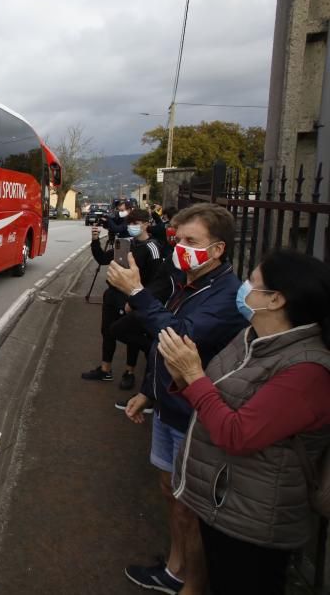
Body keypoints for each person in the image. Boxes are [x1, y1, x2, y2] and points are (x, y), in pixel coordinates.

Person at [157, 250, 330, 595]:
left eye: (252, 281)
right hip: (223, 502)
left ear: (276, 299)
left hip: (255, 520)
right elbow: (218, 394)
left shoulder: (308, 370)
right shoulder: (252, 337)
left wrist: (193, 376)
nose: (243, 286)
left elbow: (237, 434)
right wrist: (184, 377)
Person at [106, 203, 248, 595]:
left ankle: (192, 584)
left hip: (195, 418)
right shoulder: (189, 282)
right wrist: (148, 394)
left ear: (218, 249)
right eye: (177, 239)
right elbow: (161, 351)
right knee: (171, 494)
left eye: (191, 241)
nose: (181, 248)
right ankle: (174, 567)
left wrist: (135, 290)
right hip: (170, 407)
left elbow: (177, 338)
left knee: (190, 507)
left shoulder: (228, 296)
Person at [81, 208, 165, 390]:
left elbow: (157, 279)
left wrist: (138, 299)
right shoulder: (125, 243)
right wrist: (95, 239)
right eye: (130, 223)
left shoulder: (153, 247)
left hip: (133, 296)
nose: (132, 227)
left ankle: (130, 371)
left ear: (146, 224)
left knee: (131, 334)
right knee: (107, 331)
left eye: (136, 223)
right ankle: (105, 369)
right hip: (113, 294)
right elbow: (103, 258)